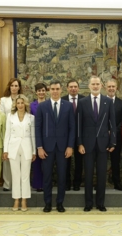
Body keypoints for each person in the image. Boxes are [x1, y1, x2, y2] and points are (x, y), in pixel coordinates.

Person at [77, 75, 116, 212]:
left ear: (101, 86)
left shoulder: (108, 101)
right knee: (87, 175)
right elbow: (79, 125)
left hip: (103, 144)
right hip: (87, 145)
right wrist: (79, 143)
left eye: (97, 84)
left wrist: (113, 142)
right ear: (89, 86)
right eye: (93, 84)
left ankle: (100, 203)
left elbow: (112, 124)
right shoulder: (82, 102)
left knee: (101, 175)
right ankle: (88, 203)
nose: (95, 86)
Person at [35, 80, 75, 213]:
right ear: (49, 90)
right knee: (46, 176)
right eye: (52, 89)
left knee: (62, 176)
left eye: (57, 89)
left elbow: (72, 128)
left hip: (63, 148)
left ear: (61, 90)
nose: (55, 91)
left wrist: (70, 146)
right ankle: (47, 203)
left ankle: (59, 203)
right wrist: (39, 147)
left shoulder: (68, 106)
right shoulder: (43, 106)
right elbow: (38, 128)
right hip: (46, 148)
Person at [4, 94, 36, 212]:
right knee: (15, 175)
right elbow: (7, 134)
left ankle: (24, 199)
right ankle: (16, 199)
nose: (20, 105)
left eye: (22, 103)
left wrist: (34, 151)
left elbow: (33, 135)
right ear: (15, 105)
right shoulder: (10, 116)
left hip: (27, 147)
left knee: (25, 175)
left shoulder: (31, 117)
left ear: (25, 104)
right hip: (13, 147)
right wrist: (5, 150)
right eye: (18, 103)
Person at [0, 78, 23, 191]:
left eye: (16, 85)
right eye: (12, 85)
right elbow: (2, 116)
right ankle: (7, 183)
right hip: (7, 131)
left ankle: (17, 183)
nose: (14, 87)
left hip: (20, 133)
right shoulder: (3, 100)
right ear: (9, 87)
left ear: (19, 87)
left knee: (19, 159)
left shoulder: (22, 99)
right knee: (7, 158)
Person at [62, 79, 85, 191]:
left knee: (79, 162)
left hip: (81, 135)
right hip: (66, 136)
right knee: (66, 160)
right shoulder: (62, 100)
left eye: (75, 86)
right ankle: (67, 183)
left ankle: (77, 183)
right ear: (67, 88)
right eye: (71, 87)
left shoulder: (84, 100)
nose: (73, 88)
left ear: (78, 88)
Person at [105, 78, 122, 191]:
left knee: (115, 161)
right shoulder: (101, 101)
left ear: (116, 88)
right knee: (101, 161)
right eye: (109, 86)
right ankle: (100, 183)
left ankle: (117, 183)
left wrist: (112, 131)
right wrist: (105, 131)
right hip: (102, 137)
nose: (111, 88)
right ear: (105, 88)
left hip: (116, 137)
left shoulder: (121, 103)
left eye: (113, 86)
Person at [30, 82, 47, 192]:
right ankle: (37, 184)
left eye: (43, 90)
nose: (41, 92)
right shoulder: (32, 106)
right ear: (36, 92)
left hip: (48, 136)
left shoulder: (50, 103)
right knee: (36, 162)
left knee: (47, 162)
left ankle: (46, 184)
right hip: (35, 135)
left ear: (46, 91)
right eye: (39, 90)